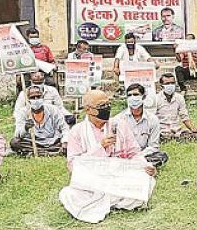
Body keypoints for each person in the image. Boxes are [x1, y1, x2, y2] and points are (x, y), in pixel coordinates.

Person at [58, 90, 156, 223]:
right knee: (68, 194)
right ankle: (112, 201)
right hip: (93, 181)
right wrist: (100, 147)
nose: (106, 108)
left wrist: (144, 165)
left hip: (118, 178)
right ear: (88, 109)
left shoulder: (119, 125)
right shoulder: (77, 131)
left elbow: (134, 152)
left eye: (108, 104)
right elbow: (73, 166)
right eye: (101, 106)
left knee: (147, 181)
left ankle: (106, 201)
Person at [111, 84, 168, 168]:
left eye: (136, 94)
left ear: (143, 97)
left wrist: (139, 156)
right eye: (129, 95)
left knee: (161, 156)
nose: (132, 97)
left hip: (143, 155)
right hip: (123, 156)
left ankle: (136, 165)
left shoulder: (153, 120)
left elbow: (153, 146)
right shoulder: (118, 119)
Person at [10, 86, 68, 156]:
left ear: (43, 97)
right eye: (32, 97)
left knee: (70, 142)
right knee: (14, 142)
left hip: (53, 141)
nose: (36, 99)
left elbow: (64, 128)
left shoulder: (53, 109)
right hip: (33, 142)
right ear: (28, 100)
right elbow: (17, 134)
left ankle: (36, 153)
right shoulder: (23, 112)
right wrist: (25, 128)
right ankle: (50, 153)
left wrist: (65, 142)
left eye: (38, 96)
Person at [156, 73, 197, 141]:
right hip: (161, 131)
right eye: (167, 83)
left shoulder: (179, 98)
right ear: (161, 85)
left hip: (176, 130)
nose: (170, 85)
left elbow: (184, 116)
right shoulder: (156, 99)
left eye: (172, 83)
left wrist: (192, 129)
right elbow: (151, 118)